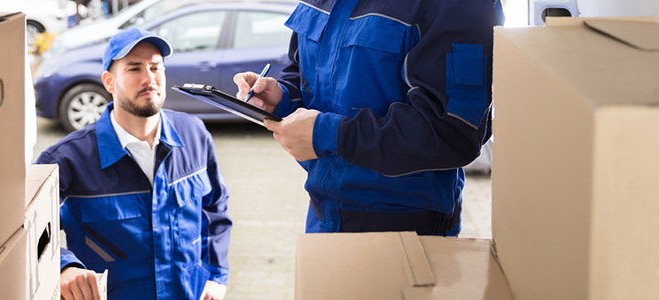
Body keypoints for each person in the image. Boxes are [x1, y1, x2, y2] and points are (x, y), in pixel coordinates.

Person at [234, 0, 505, 236]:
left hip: (406, 228)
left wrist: (328, 134)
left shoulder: (461, 4)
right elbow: (301, 70)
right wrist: (282, 97)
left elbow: (452, 132)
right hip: (322, 216)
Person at [36, 27, 231, 300]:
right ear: (109, 82)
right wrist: (62, 267)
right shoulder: (66, 160)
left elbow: (215, 211)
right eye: (134, 69)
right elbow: (25, 233)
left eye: (155, 67)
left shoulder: (194, 135)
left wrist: (216, 276)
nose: (149, 78)